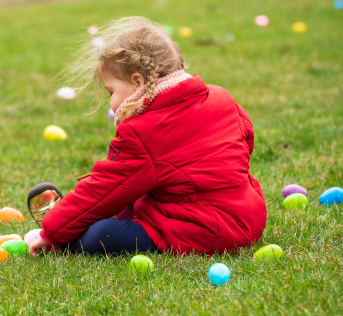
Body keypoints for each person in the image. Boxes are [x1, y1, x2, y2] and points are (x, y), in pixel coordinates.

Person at [29, 17, 267, 256]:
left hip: (206, 232)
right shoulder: (220, 96)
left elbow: (103, 189)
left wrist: (51, 232)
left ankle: (68, 235)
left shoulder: (142, 132)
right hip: (250, 217)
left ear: (137, 82)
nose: (112, 104)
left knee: (101, 235)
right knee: (137, 197)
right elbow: (245, 142)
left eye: (111, 91)